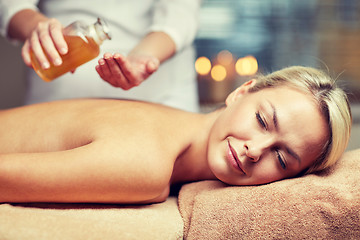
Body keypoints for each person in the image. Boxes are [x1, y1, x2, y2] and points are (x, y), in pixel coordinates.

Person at [0, 66, 352, 204]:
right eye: (262, 120)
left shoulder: (168, 122)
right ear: (241, 92)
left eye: (281, 158)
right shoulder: (147, 166)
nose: (255, 151)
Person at [0, 0, 201, 112]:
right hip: (56, 105)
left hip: (160, 101)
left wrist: (144, 56)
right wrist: (38, 27)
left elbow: (179, 16)